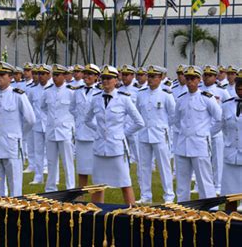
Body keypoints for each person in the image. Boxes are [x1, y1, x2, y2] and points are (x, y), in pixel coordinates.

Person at [84, 65, 144, 205]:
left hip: (117, 147)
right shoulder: (96, 98)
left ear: (116, 80)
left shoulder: (124, 99)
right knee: (97, 185)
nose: (105, 81)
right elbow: (87, 119)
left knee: (124, 183)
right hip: (100, 148)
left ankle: (132, 213)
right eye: (103, 78)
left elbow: (139, 122)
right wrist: (99, 131)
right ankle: (97, 214)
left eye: (109, 78)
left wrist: (122, 134)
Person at [0, 61, 36, 196]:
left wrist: (19, 135)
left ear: (11, 77)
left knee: (15, 185)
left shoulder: (18, 95)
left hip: (12, 145)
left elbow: (30, 120)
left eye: (3, 74)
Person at [173, 65, 222, 202]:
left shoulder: (207, 97)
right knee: (182, 182)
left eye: (193, 78)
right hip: (183, 144)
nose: (190, 81)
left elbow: (219, 119)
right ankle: (183, 208)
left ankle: (210, 209)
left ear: (199, 79)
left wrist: (206, 133)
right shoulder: (181, 98)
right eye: (187, 78)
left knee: (204, 180)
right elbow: (176, 120)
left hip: (200, 144)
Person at [136, 65, 176, 204]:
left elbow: (173, 115)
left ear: (161, 78)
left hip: (159, 134)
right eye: (149, 76)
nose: (151, 79)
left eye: (154, 76)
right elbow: (137, 113)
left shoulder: (166, 94)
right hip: (144, 134)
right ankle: (145, 195)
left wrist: (163, 126)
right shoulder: (141, 93)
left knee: (164, 166)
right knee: (144, 166)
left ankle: (169, 196)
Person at [41, 64, 76, 192]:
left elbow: (75, 110)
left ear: (64, 76)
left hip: (65, 130)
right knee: (51, 161)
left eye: (58, 75)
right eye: (54, 75)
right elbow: (43, 107)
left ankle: (70, 187)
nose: (55, 78)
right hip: (51, 130)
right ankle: (50, 188)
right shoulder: (47, 91)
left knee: (68, 161)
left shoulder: (71, 91)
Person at [200, 65, 231, 195]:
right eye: (205, 75)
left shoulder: (221, 91)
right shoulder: (199, 90)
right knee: (202, 159)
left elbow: (229, 106)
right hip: (202, 130)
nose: (207, 77)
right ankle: (200, 184)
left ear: (215, 77)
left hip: (217, 130)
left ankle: (218, 185)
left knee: (217, 160)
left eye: (210, 75)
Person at [71, 63, 100, 187]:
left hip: (94, 133)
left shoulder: (100, 92)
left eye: (90, 74)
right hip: (81, 132)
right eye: (86, 73)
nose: (87, 76)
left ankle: (96, 194)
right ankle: (81, 193)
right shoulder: (77, 92)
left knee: (96, 168)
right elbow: (72, 108)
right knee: (81, 167)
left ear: (96, 77)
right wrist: (79, 120)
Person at [220, 70, 242, 212]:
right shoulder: (227, 105)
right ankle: (228, 226)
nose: (240, 90)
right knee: (229, 197)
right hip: (231, 156)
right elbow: (223, 126)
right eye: (238, 87)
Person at [27, 64, 53, 184]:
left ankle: (49, 171)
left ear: (49, 75)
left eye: (43, 74)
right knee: (38, 150)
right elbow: (30, 107)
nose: (40, 76)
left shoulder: (53, 89)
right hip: (37, 124)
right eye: (39, 74)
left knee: (50, 150)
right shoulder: (33, 90)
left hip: (49, 124)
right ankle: (38, 176)